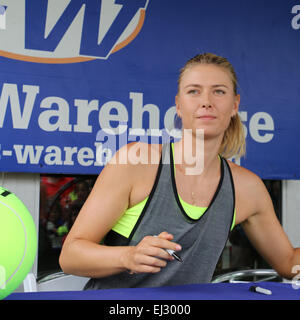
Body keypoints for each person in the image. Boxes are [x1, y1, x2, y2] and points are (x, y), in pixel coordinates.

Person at [59, 53, 300, 289]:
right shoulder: (137, 162)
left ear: (235, 104)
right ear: (178, 105)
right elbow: (70, 256)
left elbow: (289, 263)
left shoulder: (247, 188)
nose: (206, 101)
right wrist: (127, 257)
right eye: (194, 91)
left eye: (219, 91)